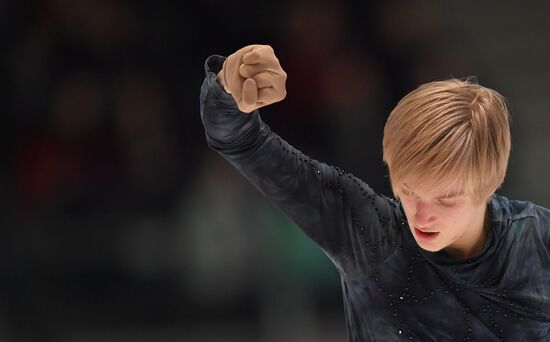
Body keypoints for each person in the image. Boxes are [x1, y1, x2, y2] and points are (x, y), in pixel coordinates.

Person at [199, 44, 550, 341]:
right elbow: (243, 142)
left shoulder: (539, 242)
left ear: (489, 184)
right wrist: (227, 92)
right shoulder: (371, 234)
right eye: (410, 192)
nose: (422, 215)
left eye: (446, 198)